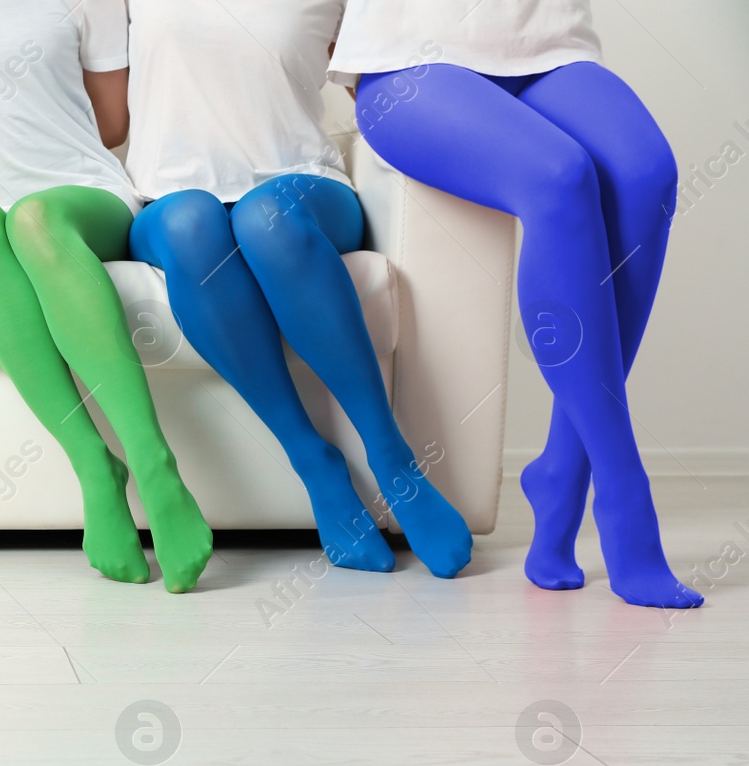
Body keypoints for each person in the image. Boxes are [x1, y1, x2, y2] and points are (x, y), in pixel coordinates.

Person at [331, 0, 701, 609]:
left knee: (646, 174)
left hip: (550, 47)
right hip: (409, 63)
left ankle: (561, 469)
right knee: (558, 177)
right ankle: (620, 489)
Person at [125, 0, 473, 580]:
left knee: (268, 217)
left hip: (304, 184)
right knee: (192, 224)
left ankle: (393, 458)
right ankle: (315, 463)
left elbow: (387, 82)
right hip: (167, 196)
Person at [0, 0, 213, 593]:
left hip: (79, 191)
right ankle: (94, 466)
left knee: (32, 218)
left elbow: (112, 123)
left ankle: (155, 466)